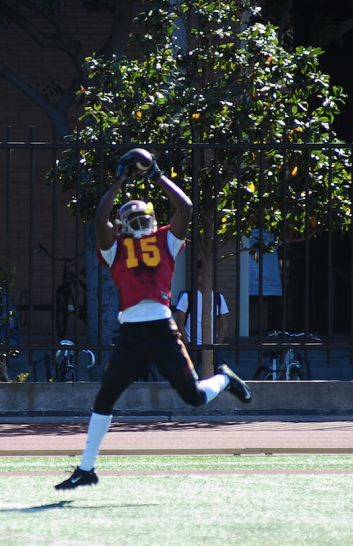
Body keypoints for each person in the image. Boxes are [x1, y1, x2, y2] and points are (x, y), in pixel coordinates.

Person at [55, 150, 251, 490]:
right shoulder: (116, 247)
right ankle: (86, 469)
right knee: (106, 397)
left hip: (161, 328)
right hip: (132, 332)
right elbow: (100, 218)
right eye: (132, 220)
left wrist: (155, 174)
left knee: (193, 397)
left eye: (140, 218)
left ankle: (223, 378)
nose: (137, 224)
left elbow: (186, 208)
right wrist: (121, 179)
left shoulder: (163, 240)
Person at [175, 261, 229, 371]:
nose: (203, 277)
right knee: (190, 377)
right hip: (191, 345)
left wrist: (218, 344)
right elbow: (180, 322)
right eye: (199, 274)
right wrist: (187, 343)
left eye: (205, 274)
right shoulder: (187, 297)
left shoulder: (218, 297)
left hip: (211, 345)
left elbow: (223, 323)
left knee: (212, 376)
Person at [0, 264, 21, 382]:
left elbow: (1, 317)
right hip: (0, 334)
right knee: (0, 364)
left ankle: (4, 383)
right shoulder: (0, 294)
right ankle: (4, 382)